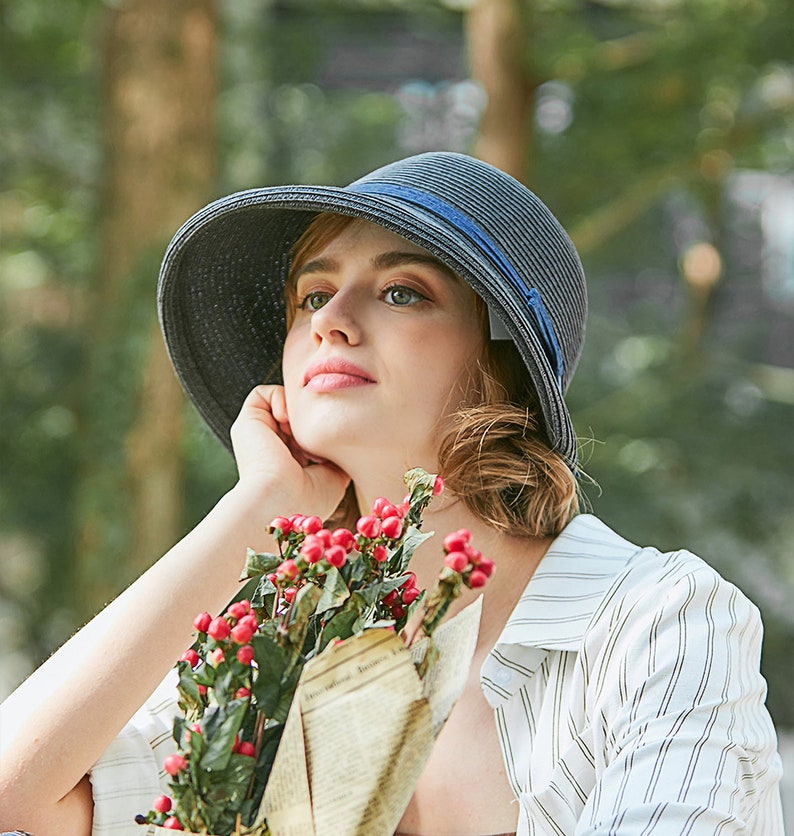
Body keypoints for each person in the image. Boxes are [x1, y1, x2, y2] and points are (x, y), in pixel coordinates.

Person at [0, 152, 784, 836]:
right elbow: (17, 798)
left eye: (402, 291)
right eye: (311, 296)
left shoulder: (655, 621)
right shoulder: (273, 649)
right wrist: (256, 507)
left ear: (501, 363)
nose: (331, 323)